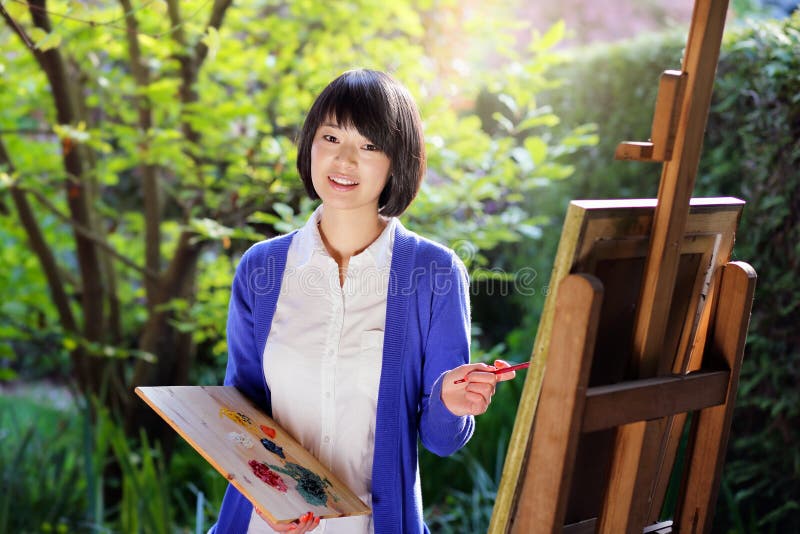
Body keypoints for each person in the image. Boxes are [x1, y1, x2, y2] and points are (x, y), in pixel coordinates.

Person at [211, 69, 515, 534]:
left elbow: (440, 439)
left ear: (398, 160)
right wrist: (271, 500)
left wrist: (453, 403)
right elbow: (242, 414)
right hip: (265, 525)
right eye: (330, 136)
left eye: (370, 145)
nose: (345, 159)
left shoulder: (434, 274)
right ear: (310, 144)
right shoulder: (262, 269)